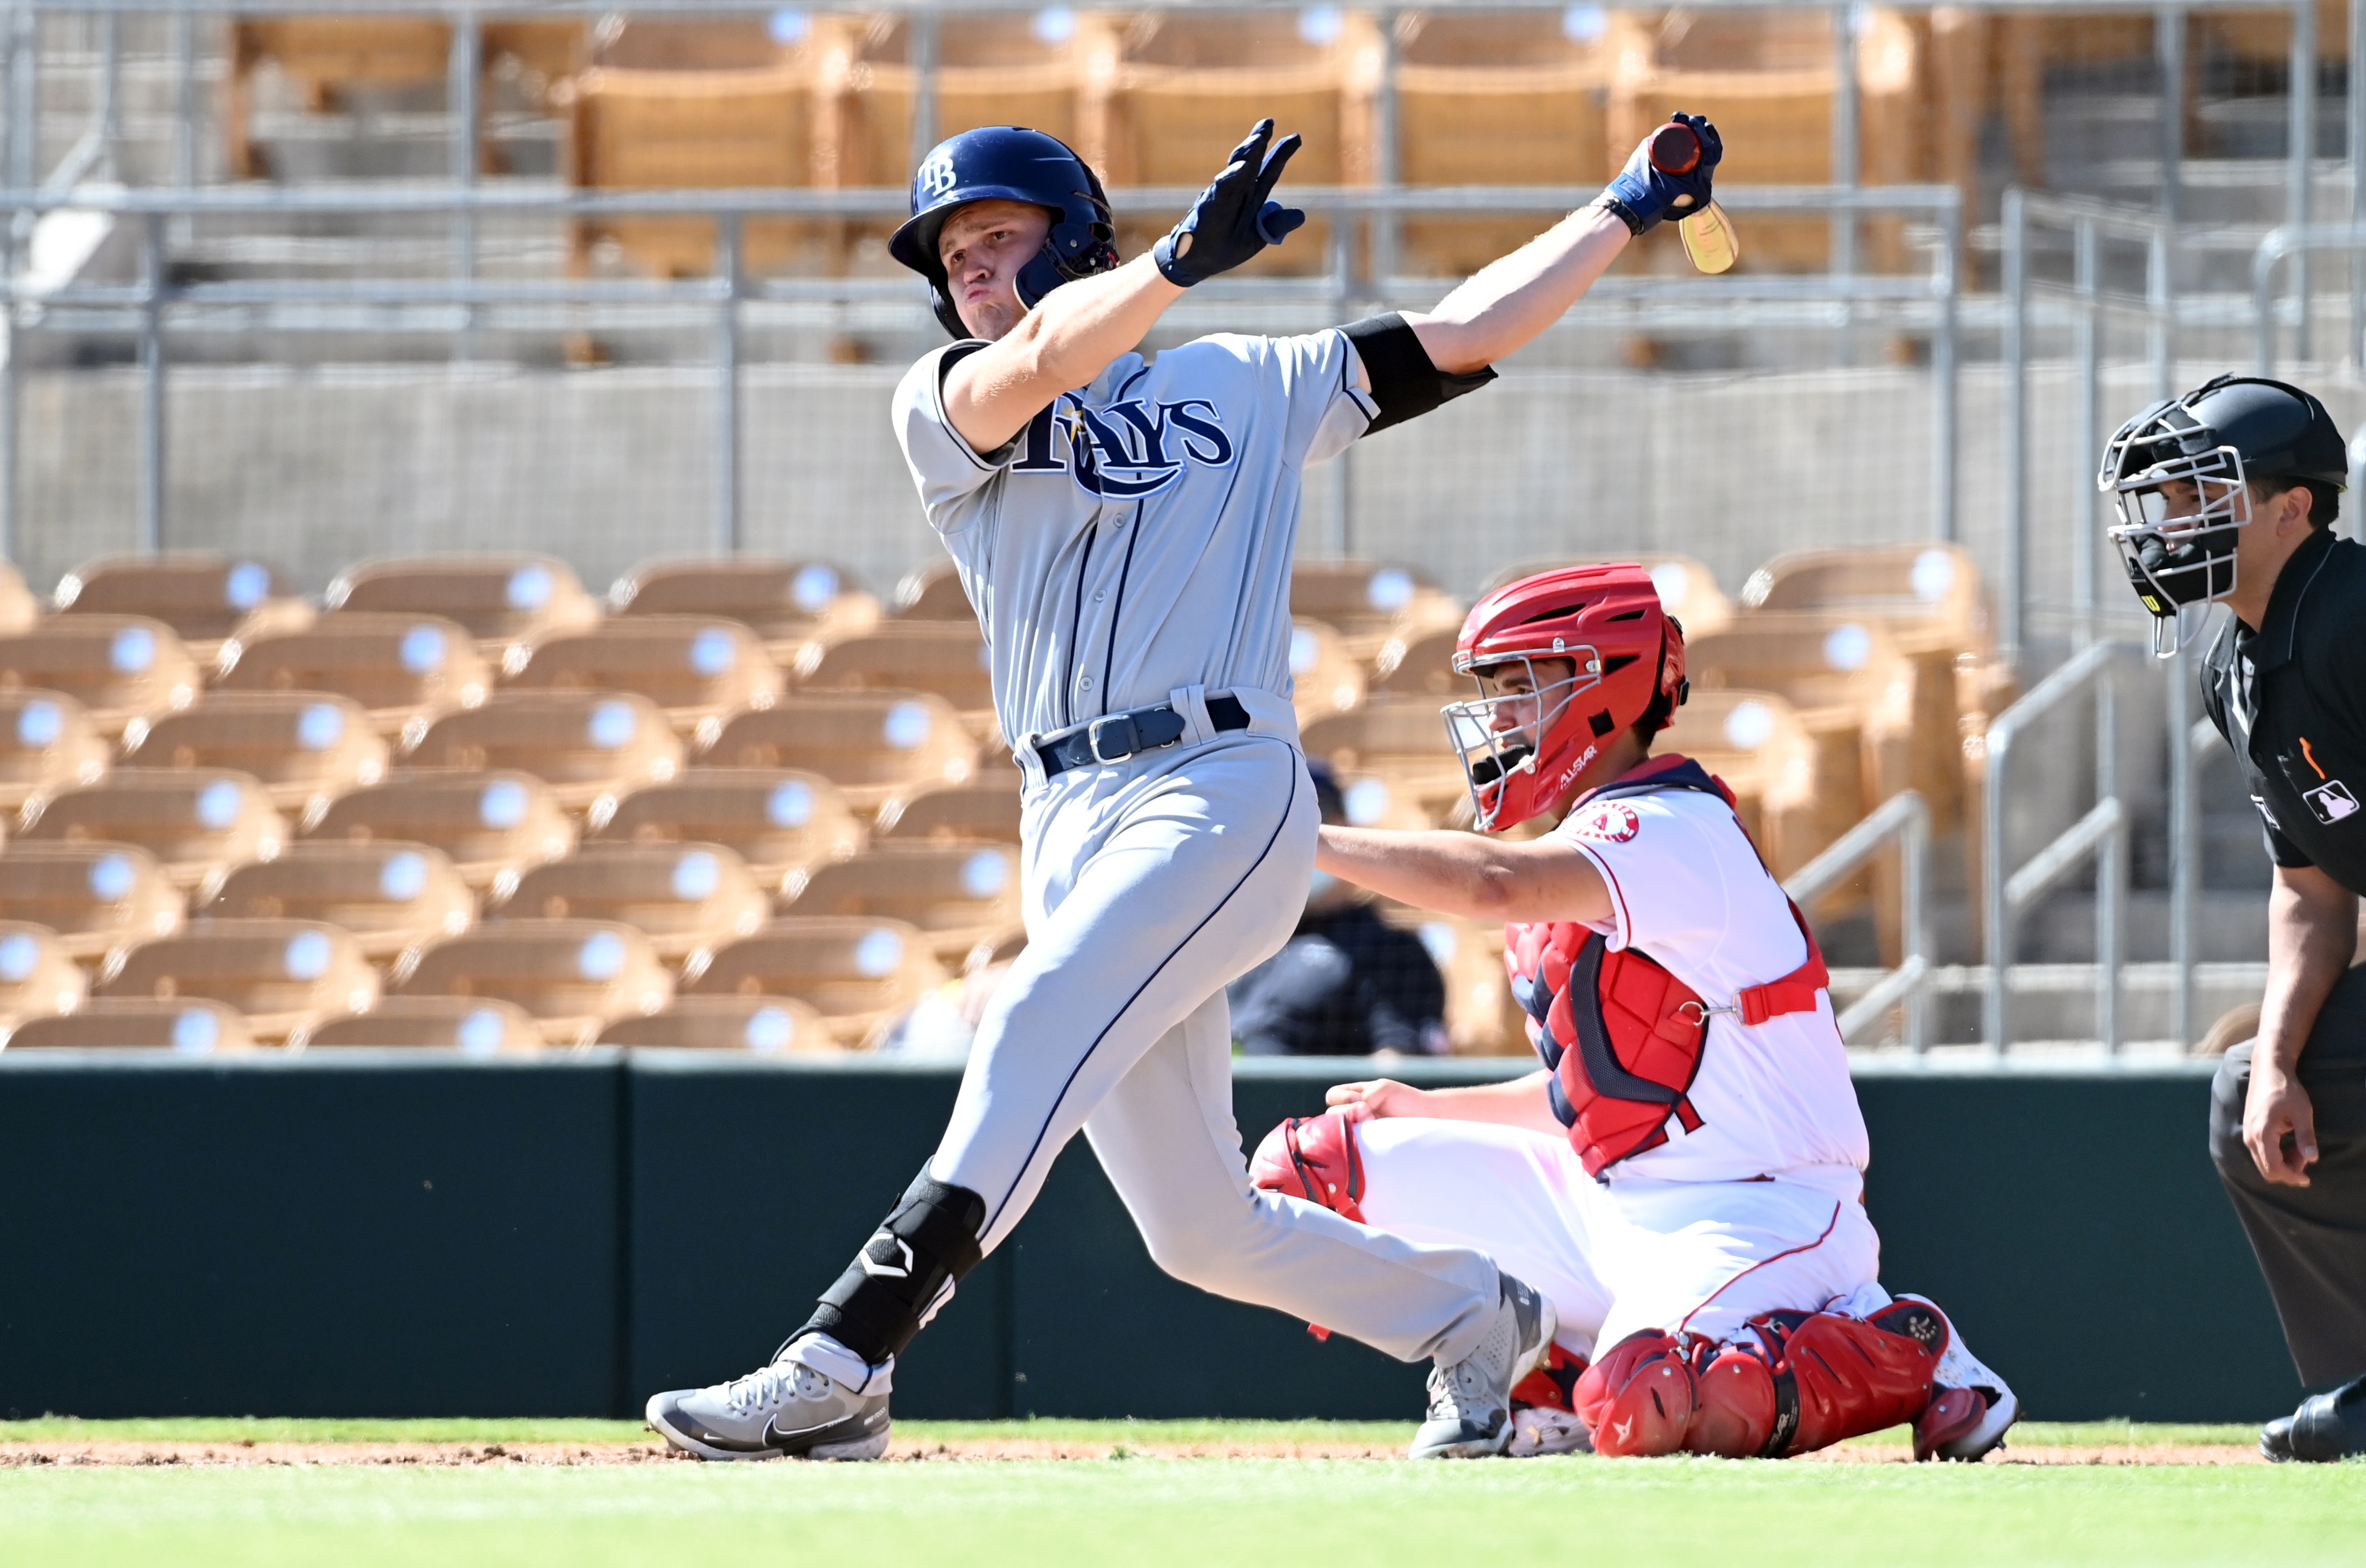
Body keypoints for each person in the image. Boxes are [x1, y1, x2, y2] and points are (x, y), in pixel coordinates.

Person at [644, 114, 1733, 1461]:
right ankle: (1471, 1317)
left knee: (1035, 1009)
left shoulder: (1251, 378)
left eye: (999, 239)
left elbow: (1462, 331)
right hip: (1066, 815)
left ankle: (843, 1355)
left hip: (1219, 781)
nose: (975, 273)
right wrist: (1168, 264)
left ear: (1074, 236)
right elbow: (1042, 357)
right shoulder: (945, 403)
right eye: (955, 258)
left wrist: (1619, 210)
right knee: (1197, 1228)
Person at [1249, 562, 2019, 1459]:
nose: (1498, 717)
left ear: (1603, 690)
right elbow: (1601, 1096)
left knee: (1644, 1402)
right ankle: (1512, 1357)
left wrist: (1304, 836)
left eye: (1519, 687)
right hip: (1613, 1204)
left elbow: (1491, 882)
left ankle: (1909, 1349)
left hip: (1761, 1213)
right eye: (1495, 690)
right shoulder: (1582, 847)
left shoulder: (1671, 826)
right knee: (1306, 1172)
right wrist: (1426, 1105)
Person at [2102, 374, 2366, 1461]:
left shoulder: (2356, 616)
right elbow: (2309, 883)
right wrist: (2276, 1059)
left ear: (2289, 510)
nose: (2170, 527)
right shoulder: (2231, 661)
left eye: (2200, 497)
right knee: (2244, 1102)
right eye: (2163, 503)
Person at [1229, 765, 1449, 1057]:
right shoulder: (1236, 945)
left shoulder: (1392, 951)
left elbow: (1399, 1069)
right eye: (1275, 826)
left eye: (1308, 821)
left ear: (1344, 829)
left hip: (1313, 1104)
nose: (1290, 839)